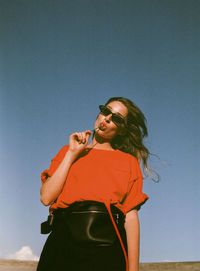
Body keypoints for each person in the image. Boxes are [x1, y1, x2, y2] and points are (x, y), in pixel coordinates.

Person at [37, 97, 151, 271]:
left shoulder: (128, 162)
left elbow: (131, 216)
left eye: (117, 118)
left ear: (122, 130)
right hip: (62, 243)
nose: (107, 119)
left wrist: (133, 269)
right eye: (106, 111)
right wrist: (72, 153)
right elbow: (46, 197)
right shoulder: (68, 152)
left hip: (107, 248)